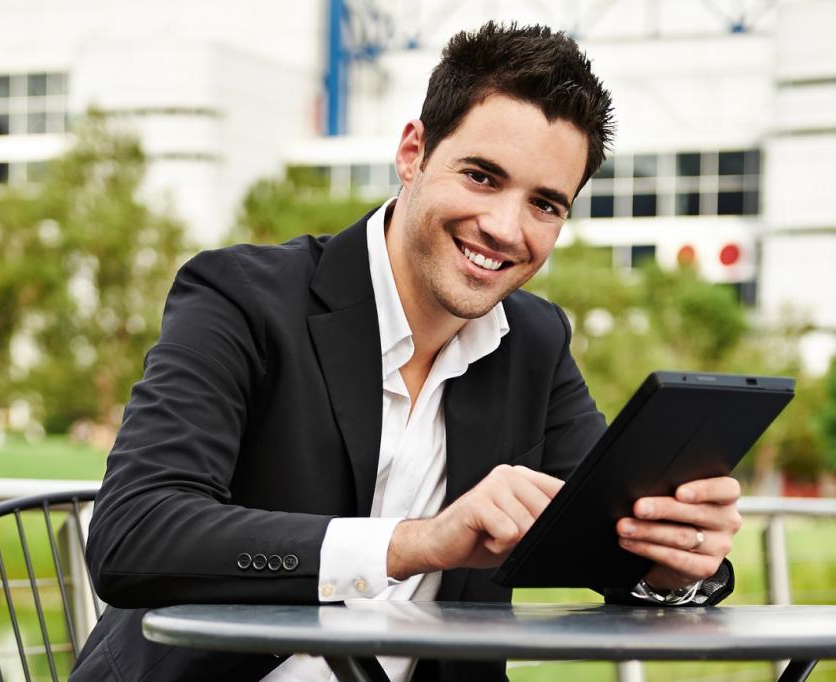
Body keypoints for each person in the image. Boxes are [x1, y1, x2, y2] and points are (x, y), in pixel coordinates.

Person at [71, 21, 741, 682]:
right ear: (413, 152)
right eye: (482, 176)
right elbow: (135, 535)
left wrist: (675, 559)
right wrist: (416, 542)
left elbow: (605, 538)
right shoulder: (241, 298)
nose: (506, 229)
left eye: (545, 205)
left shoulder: (536, 343)